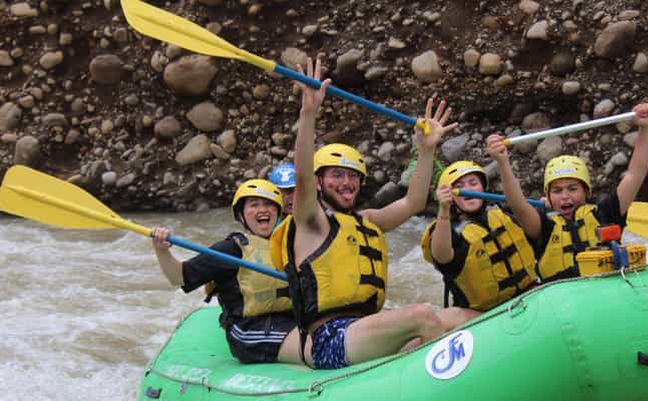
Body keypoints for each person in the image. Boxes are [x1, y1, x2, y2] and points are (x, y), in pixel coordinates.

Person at [270, 54, 471, 369]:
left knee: (462, 316)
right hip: (331, 340)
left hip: (366, 330)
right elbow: (303, 174)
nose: (347, 183)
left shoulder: (367, 221)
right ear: (320, 183)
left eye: (352, 176)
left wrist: (426, 149)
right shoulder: (312, 220)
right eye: (336, 175)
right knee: (421, 316)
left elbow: (413, 203)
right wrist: (309, 112)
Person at [487, 102, 648, 283]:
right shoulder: (543, 226)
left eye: (572, 189)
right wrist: (502, 162)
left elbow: (635, 174)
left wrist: (646, 127)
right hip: (562, 299)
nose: (565, 196)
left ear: (586, 191)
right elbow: (518, 205)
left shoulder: (605, 212)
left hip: (605, 290)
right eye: (557, 191)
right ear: (548, 197)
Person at [151, 179, 306, 364]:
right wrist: (161, 250)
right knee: (319, 345)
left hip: (291, 321)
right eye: (254, 205)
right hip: (249, 331)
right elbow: (179, 277)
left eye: (268, 205)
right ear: (241, 215)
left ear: (278, 212)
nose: (262, 210)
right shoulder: (230, 250)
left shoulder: (292, 245)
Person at [420, 158, 538, 318]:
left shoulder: (503, 215)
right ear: (451, 196)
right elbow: (442, 256)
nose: (467, 189)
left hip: (528, 295)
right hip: (482, 314)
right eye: (459, 186)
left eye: (473, 183)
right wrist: (443, 208)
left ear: (483, 188)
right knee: (447, 317)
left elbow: (529, 216)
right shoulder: (449, 232)